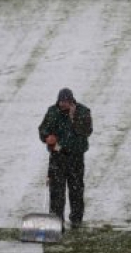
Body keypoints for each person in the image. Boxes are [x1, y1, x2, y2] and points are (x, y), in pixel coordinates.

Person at [38, 88, 93, 230]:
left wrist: (73, 118)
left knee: (76, 190)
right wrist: (46, 137)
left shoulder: (83, 112)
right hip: (57, 157)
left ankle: (76, 219)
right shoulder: (52, 112)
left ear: (71, 101)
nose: (63, 105)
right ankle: (56, 220)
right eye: (61, 102)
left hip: (76, 157)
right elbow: (43, 129)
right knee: (56, 191)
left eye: (66, 102)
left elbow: (86, 131)